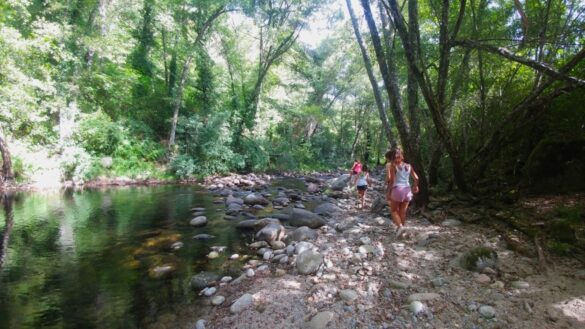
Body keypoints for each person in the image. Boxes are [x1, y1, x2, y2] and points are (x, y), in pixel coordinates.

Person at [385, 147, 419, 235]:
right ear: (402, 156)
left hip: (397, 190)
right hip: (407, 190)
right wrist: (415, 187)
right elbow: (416, 178)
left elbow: (392, 181)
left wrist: (388, 192)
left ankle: (400, 227)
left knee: (393, 211)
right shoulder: (409, 166)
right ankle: (402, 230)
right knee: (402, 211)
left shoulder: (393, 167)